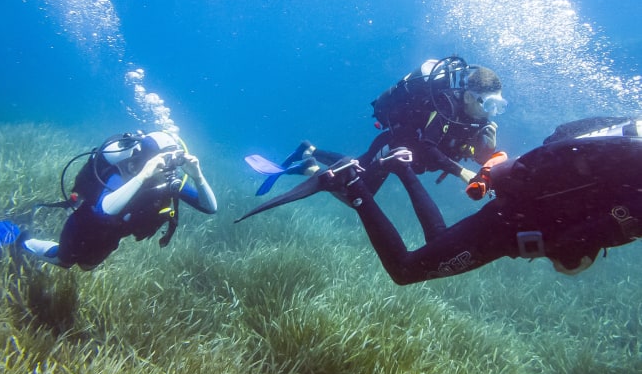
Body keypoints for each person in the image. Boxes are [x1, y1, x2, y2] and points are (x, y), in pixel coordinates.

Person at [237, 117, 642, 282]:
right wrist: (578, 253)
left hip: (516, 210)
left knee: (439, 242)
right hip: (511, 227)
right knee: (406, 270)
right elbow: (571, 248)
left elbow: (562, 135)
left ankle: (399, 167)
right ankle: (350, 184)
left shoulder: (627, 149)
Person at [248, 55, 507, 197]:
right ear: (471, 95)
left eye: (497, 105)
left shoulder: (475, 118)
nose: (491, 112)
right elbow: (428, 147)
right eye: (488, 104)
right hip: (392, 148)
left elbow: (470, 153)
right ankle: (309, 166)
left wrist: (487, 149)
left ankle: (309, 152)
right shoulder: (446, 106)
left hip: (403, 158)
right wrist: (460, 172)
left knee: (354, 173)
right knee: (356, 193)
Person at [0, 130, 217, 270]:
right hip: (83, 228)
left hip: (112, 238)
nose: (167, 168)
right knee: (63, 262)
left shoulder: (168, 182)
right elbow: (105, 210)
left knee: (86, 267)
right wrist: (144, 174)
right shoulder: (121, 173)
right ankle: (20, 241)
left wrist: (197, 176)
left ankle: (28, 244)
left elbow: (210, 208)